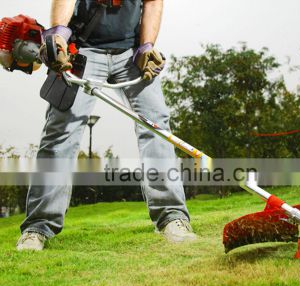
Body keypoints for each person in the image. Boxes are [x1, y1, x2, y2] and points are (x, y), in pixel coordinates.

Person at [16, 0, 196, 251]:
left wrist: (146, 47)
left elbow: (153, 2)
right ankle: (38, 227)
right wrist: (58, 35)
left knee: (157, 127)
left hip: (131, 53)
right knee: (60, 134)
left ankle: (172, 217)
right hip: (83, 50)